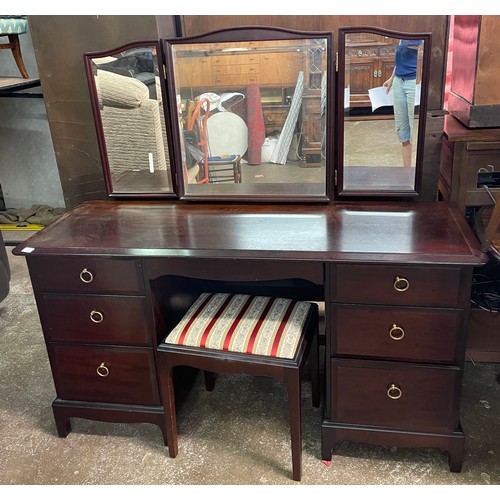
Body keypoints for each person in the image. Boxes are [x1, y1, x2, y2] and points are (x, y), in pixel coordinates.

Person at [383, 39, 422, 167]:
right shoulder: (403, 33)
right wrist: (391, 78)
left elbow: (422, 49)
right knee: (402, 129)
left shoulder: (418, 28)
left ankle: (416, 175)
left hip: (414, 81)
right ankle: (407, 172)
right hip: (399, 80)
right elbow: (401, 54)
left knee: (414, 129)